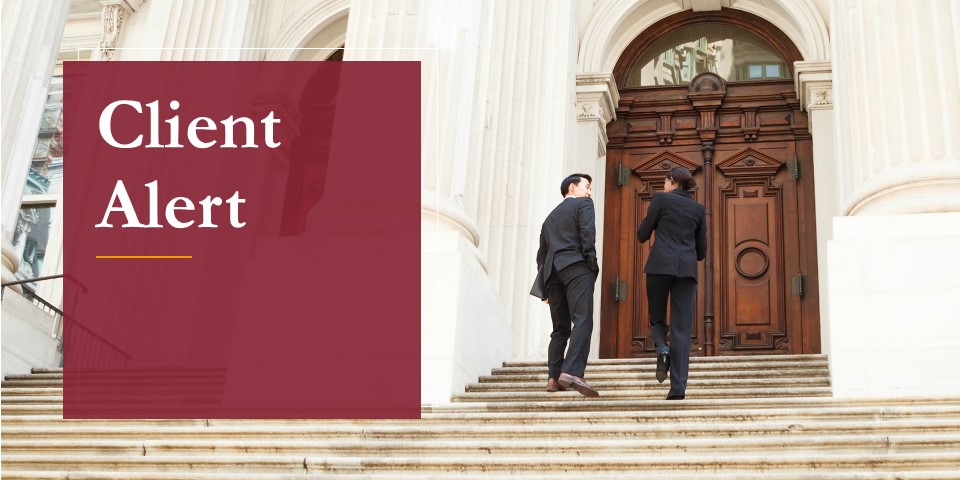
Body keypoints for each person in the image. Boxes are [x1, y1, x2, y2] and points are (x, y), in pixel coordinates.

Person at [636, 166, 707, 400]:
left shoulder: (660, 199)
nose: (663, 185)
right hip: (686, 270)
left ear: (671, 180)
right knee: (682, 329)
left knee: (657, 318)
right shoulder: (698, 209)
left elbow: (642, 234)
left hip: (659, 266)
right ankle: (677, 390)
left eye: (665, 181)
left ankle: (662, 349)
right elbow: (701, 252)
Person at [532, 173, 600, 397]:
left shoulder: (549, 218)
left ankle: (553, 378)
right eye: (587, 186)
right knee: (582, 320)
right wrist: (591, 264)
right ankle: (572, 372)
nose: (589, 192)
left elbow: (541, 255)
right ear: (572, 187)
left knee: (560, 329)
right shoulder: (584, 204)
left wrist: (544, 285)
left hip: (552, 273)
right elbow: (587, 233)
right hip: (576, 266)